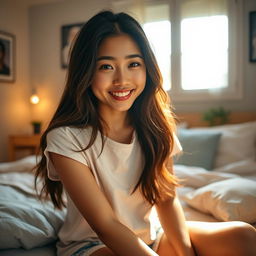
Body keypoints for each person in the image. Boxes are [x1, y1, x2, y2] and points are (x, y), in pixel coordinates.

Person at [35, 10, 256, 256]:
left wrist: (184, 252)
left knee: (244, 236)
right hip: (94, 244)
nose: (122, 79)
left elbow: (167, 200)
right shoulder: (65, 138)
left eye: (133, 64)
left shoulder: (157, 128)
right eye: (106, 66)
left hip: (153, 236)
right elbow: (105, 225)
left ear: (147, 68)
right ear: (86, 72)